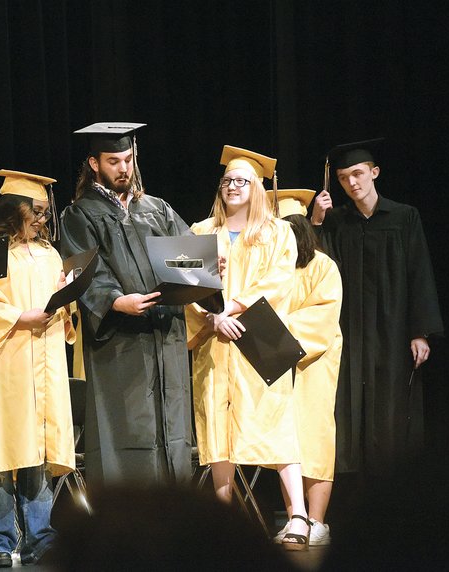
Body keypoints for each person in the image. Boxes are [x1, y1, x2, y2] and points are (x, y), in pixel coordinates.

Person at [185, 146, 309, 550]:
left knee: (275, 423)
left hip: (257, 341)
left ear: (257, 188)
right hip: (214, 342)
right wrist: (210, 317)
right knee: (217, 428)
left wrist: (232, 309)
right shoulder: (200, 232)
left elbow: (277, 282)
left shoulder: (278, 233)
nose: (232, 187)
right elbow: (182, 284)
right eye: (227, 182)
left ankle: (298, 516)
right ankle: (225, 517)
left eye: (241, 181)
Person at [59, 122, 192, 487]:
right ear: (94, 163)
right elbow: (85, 269)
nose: (123, 168)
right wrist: (116, 301)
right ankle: (129, 528)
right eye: (113, 161)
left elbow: (187, 253)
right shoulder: (79, 214)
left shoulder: (157, 208)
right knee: (129, 426)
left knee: (172, 426)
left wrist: (207, 267)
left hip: (165, 334)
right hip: (120, 342)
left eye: (128, 159)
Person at [0, 169, 75, 568]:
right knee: (1, 453)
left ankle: (40, 536)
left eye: (45, 212)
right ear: (13, 210)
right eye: (36, 211)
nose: (43, 219)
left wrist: (68, 292)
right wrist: (18, 317)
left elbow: (61, 307)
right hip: (1, 360)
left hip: (44, 361)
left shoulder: (48, 252)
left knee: (39, 451)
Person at [311, 139, 443, 477]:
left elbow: (419, 272)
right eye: (343, 178)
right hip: (350, 329)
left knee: (392, 406)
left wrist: (420, 332)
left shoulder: (403, 217)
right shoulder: (336, 222)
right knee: (348, 406)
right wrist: (316, 222)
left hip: (394, 327)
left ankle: (395, 486)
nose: (352, 183)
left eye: (357, 174)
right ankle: (350, 491)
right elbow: (316, 269)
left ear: (374, 172)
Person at [266, 189, 343, 547]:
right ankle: (296, 515)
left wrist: (276, 333)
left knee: (314, 436)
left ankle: (318, 521)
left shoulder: (322, 266)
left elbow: (322, 317)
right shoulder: (272, 272)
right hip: (277, 362)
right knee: (286, 439)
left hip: (314, 360)